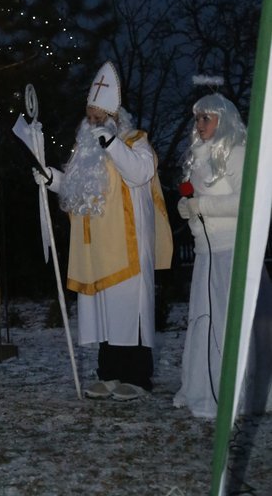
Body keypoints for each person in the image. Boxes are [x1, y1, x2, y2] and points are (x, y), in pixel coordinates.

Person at [35, 61, 173, 401]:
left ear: (114, 116)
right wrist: (52, 179)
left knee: (129, 309)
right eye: (90, 115)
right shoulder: (85, 153)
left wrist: (111, 142)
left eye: (99, 115)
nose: (92, 121)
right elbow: (76, 188)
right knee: (105, 313)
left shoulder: (135, 142)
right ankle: (109, 373)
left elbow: (140, 172)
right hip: (97, 249)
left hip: (126, 246)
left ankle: (137, 377)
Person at [174, 92, 272, 419]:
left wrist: (202, 206)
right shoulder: (198, 155)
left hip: (232, 253)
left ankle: (235, 395)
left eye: (207, 118)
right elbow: (195, 196)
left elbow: (246, 202)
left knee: (228, 324)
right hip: (206, 252)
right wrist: (187, 208)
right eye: (197, 118)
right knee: (205, 322)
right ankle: (203, 388)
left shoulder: (237, 152)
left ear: (223, 119)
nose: (200, 124)